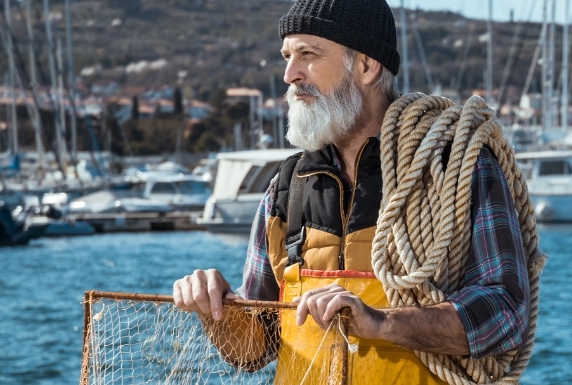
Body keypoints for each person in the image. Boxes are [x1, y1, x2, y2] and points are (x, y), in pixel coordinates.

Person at [171, 1, 529, 383]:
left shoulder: (454, 167)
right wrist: (216, 308)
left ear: (366, 66)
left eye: (308, 55)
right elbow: (255, 351)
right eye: (287, 57)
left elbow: (505, 315)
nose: (291, 74)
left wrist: (381, 323)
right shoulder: (287, 186)